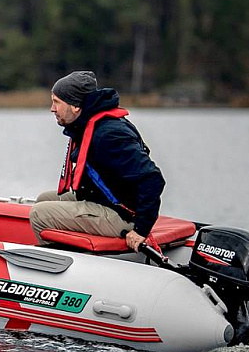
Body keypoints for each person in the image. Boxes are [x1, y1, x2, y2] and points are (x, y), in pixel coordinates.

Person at [26, 70, 165, 251]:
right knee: (43, 199)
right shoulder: (89, 124)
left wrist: (141, 230)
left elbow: (152, 179)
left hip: (124, 216)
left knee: (38, 214)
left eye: (56, 102)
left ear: (75, 106)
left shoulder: (109, 135)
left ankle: (60, 265)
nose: (52, 108)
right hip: (103, 201)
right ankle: (72, 251)